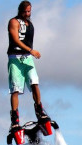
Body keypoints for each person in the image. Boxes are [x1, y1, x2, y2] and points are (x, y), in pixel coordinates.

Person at [7, 1, 50, 135]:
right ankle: (15, 119)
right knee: (15, 90)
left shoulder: (29, 24)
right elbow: (15, 39)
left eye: (29, 11)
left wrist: (29, 53)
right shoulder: (13, 22)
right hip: (15, 58)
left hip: (28, 59)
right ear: (20, 10)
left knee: (35, 83)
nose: (27, 14)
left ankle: (39, 110)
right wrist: (30, 50)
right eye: (25, 11)